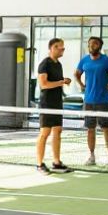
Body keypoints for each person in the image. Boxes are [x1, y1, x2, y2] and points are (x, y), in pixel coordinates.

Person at [73, 36, 108, 166]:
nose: (91, 46)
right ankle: (91, 156)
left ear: (99, 46)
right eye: (89, 44)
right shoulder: (84, 60)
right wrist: (82, 85)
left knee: (106, 128)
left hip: (103, 101)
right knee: (90, 129)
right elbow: (77, 74)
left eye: (94, 43)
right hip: (89, 101)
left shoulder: (106, 60)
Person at [35, 38, 71, 174]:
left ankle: (56, 162)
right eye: (58, 47)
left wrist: (63, 82)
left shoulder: (58, 64)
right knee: (45, 133)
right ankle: (39, 164)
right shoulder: (44, 64)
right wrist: (62, 82)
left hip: (57, 102)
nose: (61, 49)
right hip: (47, 103)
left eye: (63, 47)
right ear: (51, 48)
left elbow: (55, 82)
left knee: (57, 131)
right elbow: (44, 84)